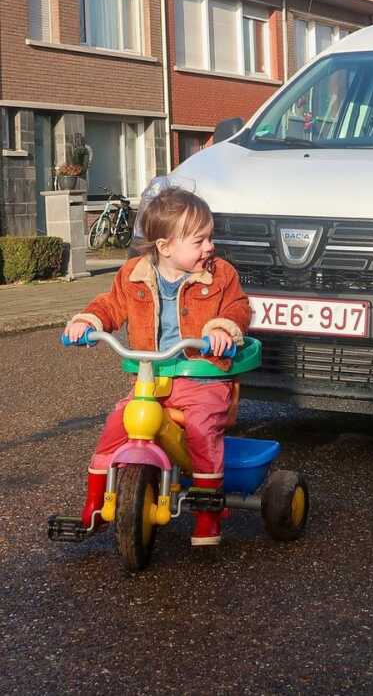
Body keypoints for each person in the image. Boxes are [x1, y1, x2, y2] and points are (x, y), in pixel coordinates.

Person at [63, 187, 251, 547]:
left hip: (201, 375)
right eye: (199, 241)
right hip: (153, 376)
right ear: (165, 247)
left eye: (209, 238)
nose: (209, 247)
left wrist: (222, 328)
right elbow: (111, 304)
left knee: (201, 428)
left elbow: (238, 308)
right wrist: (88, 321)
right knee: (118, 425)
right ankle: (93, 504)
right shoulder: (133, 274)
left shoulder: (220, 274)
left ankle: (208, 512)